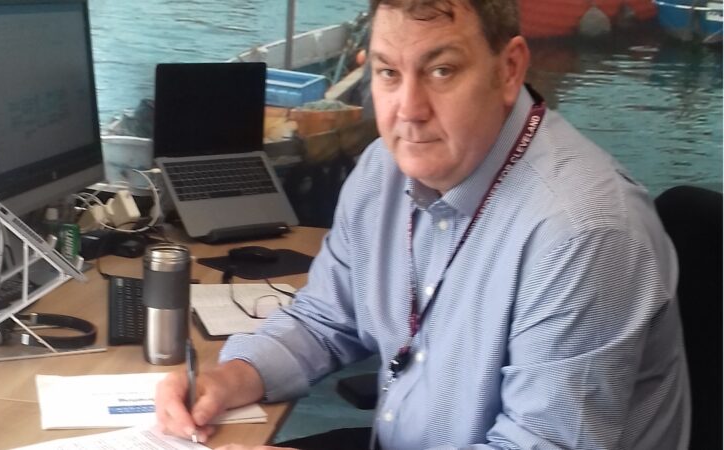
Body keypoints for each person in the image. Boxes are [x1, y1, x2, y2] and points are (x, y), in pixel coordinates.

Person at [156, 1, 691, 449]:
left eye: (442, 70)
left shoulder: (583, 232)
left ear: (509, 69)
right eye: (389, 72)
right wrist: (232, 379)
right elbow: (326, 317)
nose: (408, 109)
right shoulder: (381, 171)